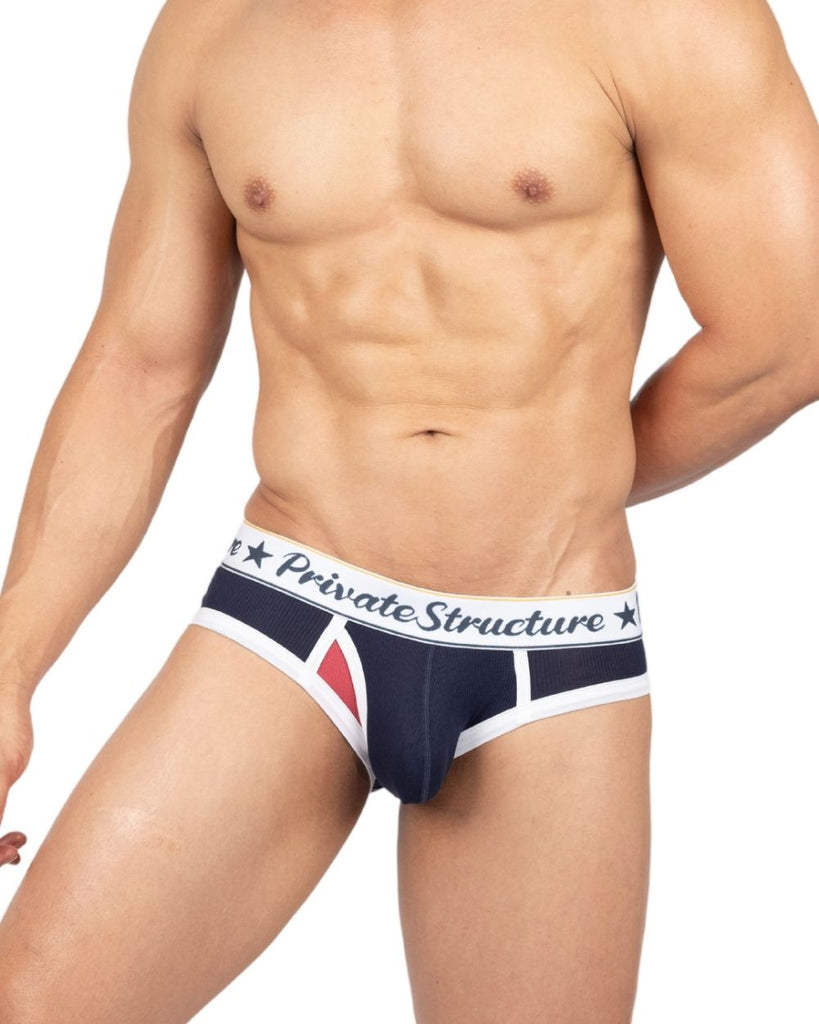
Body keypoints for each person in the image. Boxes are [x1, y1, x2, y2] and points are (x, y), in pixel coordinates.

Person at [1, 0, 817, 1020]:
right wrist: (10, 666)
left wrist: (554, 479)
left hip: (546, 642)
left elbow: (787, 337)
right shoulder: (214, 27)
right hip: (294, 604)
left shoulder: (660, 16)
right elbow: (139, 369)